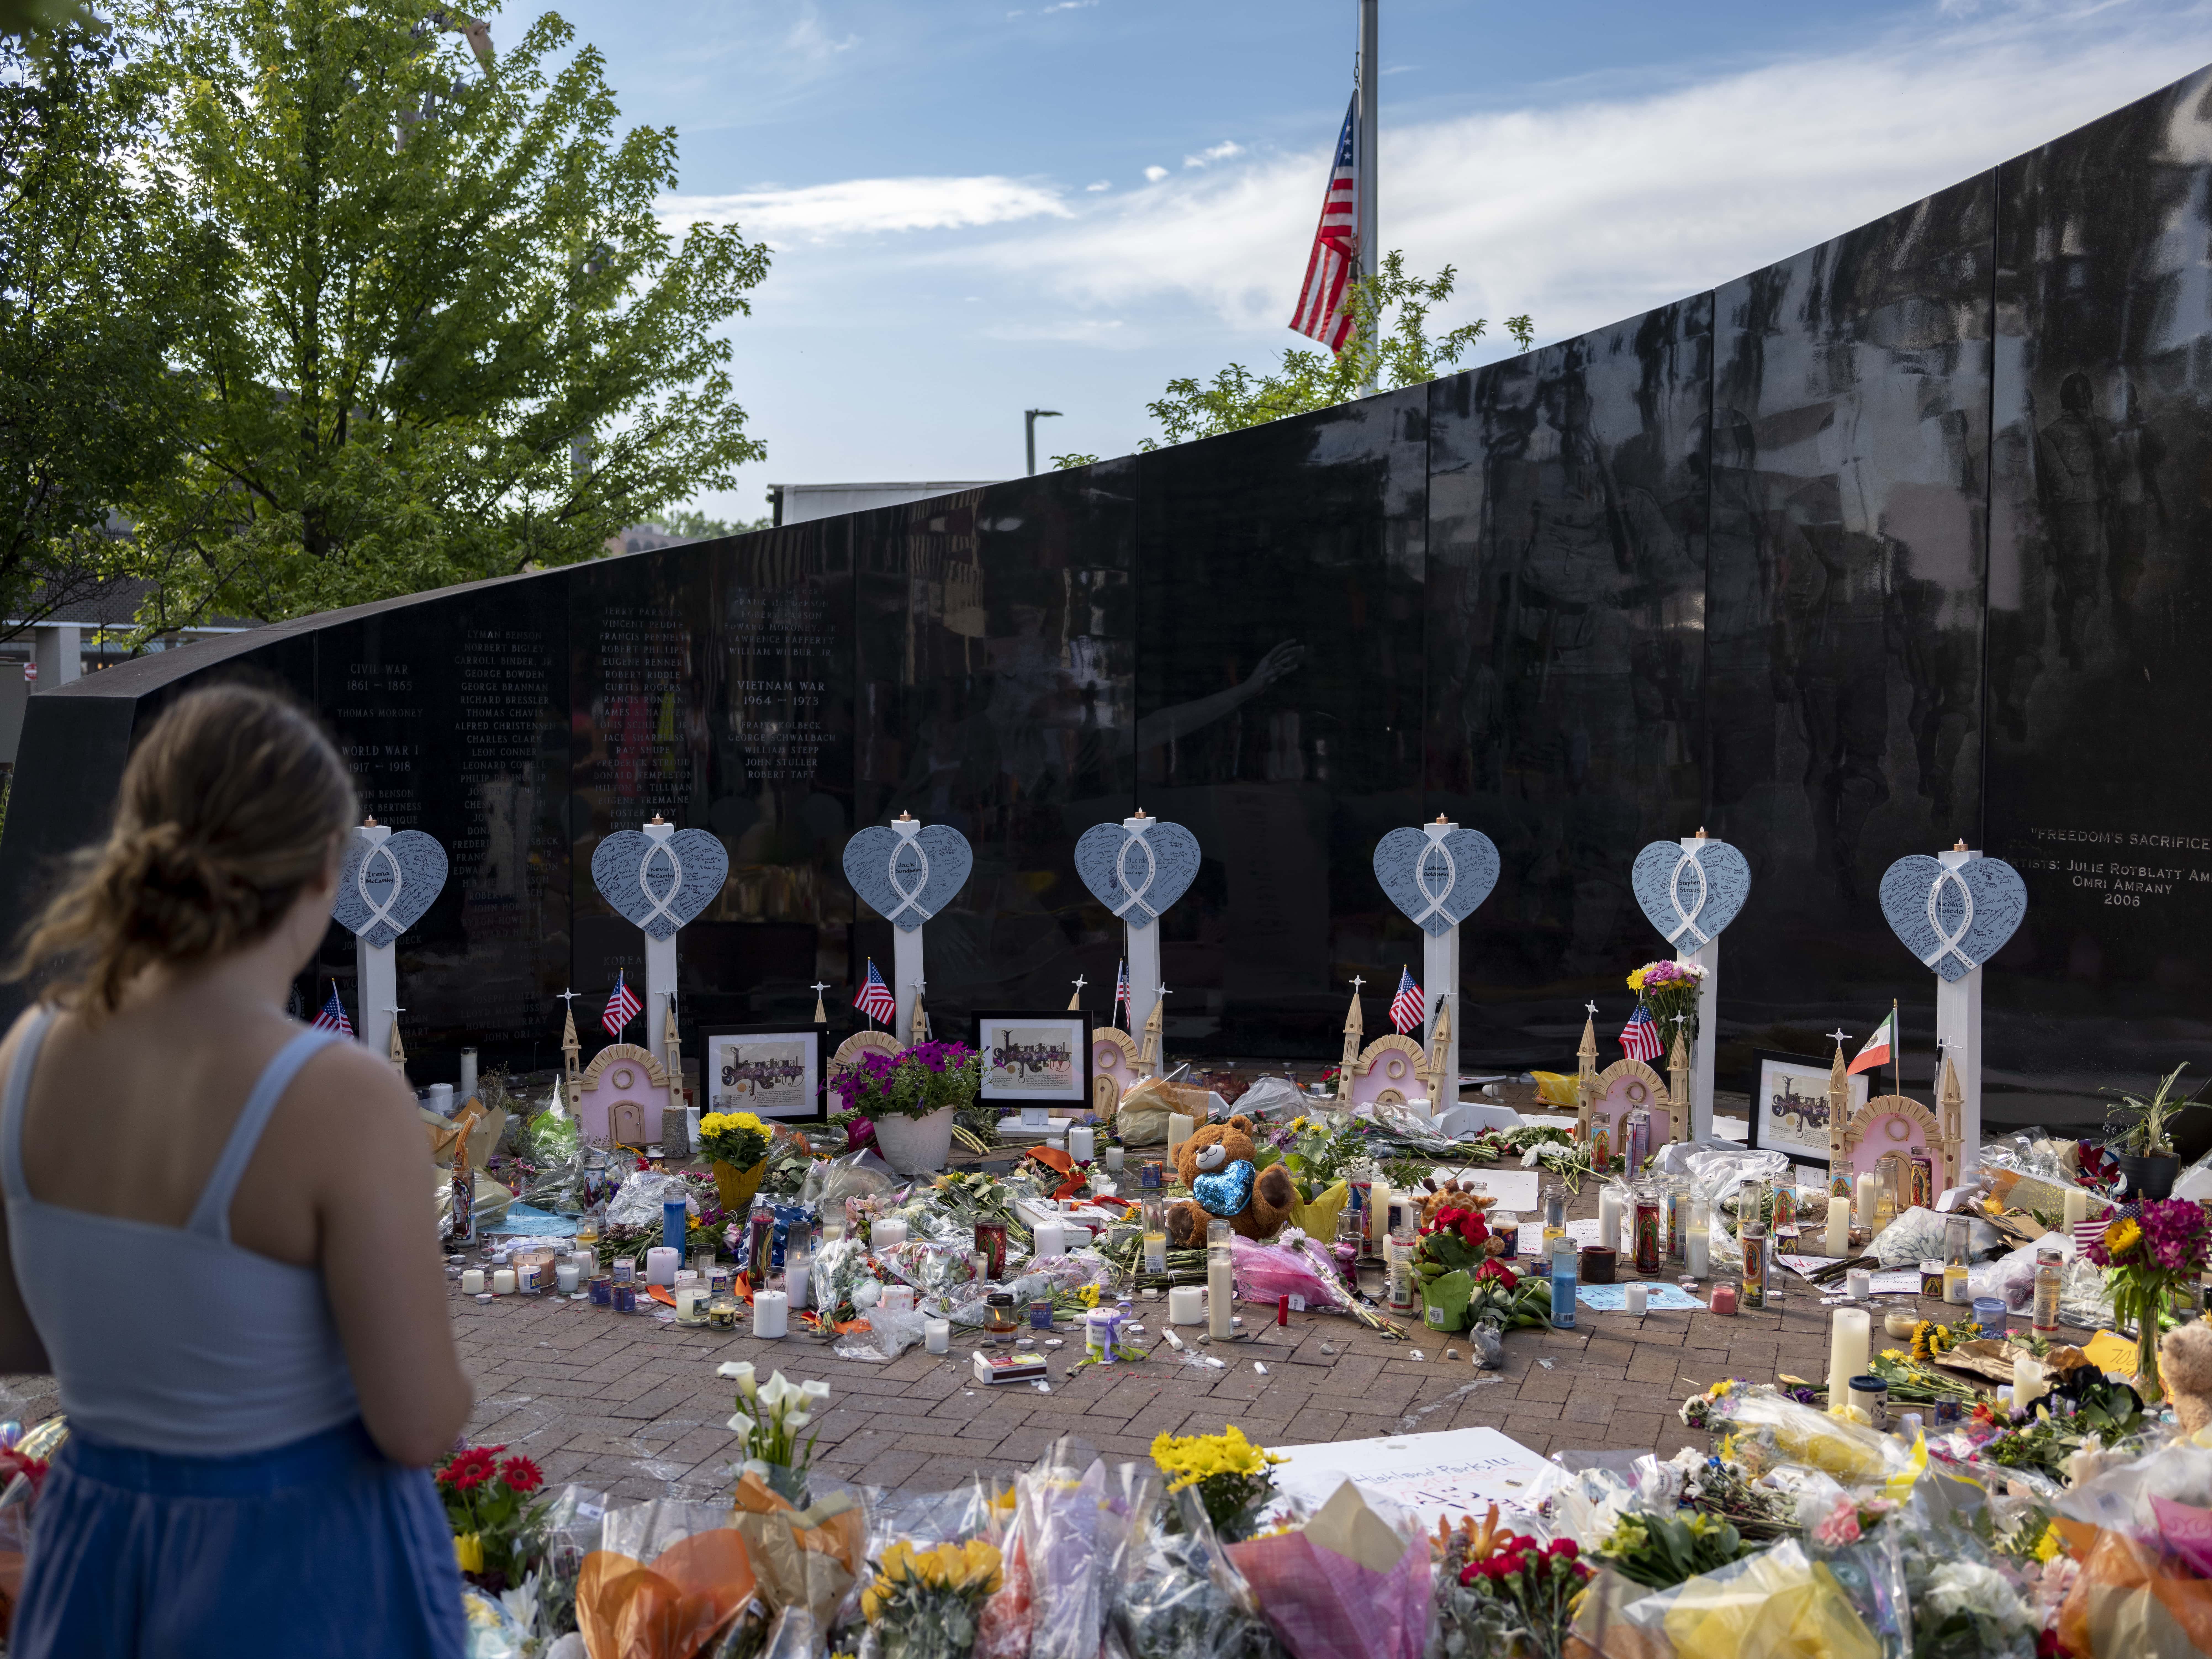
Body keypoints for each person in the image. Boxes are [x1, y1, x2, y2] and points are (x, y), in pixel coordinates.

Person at [0, 683, 470, 1655]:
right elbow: (415, 1424)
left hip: (97, 1551)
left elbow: (19, 1334)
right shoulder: (338, 1098)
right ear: (322, 868)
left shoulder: (29, 1054)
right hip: (290, 1568)